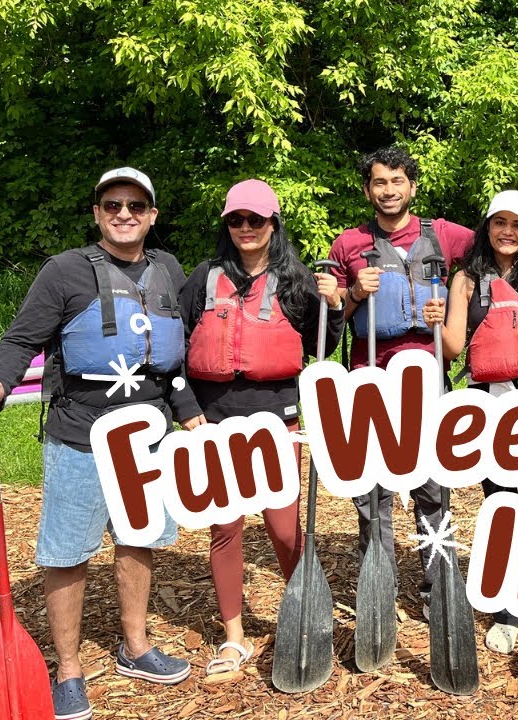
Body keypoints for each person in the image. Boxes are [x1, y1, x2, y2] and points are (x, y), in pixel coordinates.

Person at [0, 168, 199, 720]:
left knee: (138, 538)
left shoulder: (167, 269)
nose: (124, 214)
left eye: (136, 205)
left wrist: (189, 415)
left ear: (152, 215)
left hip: (150, 433)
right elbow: (22, 338)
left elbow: (177, 356)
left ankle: (135, 647)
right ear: (97, 212)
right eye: (112, 204)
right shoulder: (65, 271)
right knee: (67, 552)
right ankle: (69, 669)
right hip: (81, 432)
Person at [327, 148, 518, 622]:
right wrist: (353, 293)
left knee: (431, 484)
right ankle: (379, 581)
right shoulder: (348, 244)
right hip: (370, 375)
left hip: (428, 377)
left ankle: (437, 584)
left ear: (412, 186)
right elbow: (332, 317)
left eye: (397, 181)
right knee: (373, 485)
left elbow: (501, 244)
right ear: (367, 189)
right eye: (379, 182)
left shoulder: (444, 235)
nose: (389, 190)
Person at [178, 179, 344, 676]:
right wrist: (185, 406)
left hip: (277, 420)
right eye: (236, 220)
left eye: (256, 220)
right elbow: (176, 349)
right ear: (227, 225)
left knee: (284, 528)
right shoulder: (203, 278)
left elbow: (324, 345)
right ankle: (234, 637)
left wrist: (333, 304)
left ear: (274, 224)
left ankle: (305, 617)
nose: (246, 229)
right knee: (225, 528)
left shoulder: (295, 279)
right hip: (215, 419)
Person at [424, 189, 518, 655]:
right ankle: (509, 608)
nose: (509, 232)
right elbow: (451, 347)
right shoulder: (466, 279)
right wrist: (435, 321)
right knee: (503, 507)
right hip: (490, 404)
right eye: (500, 223)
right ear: (487, 227)